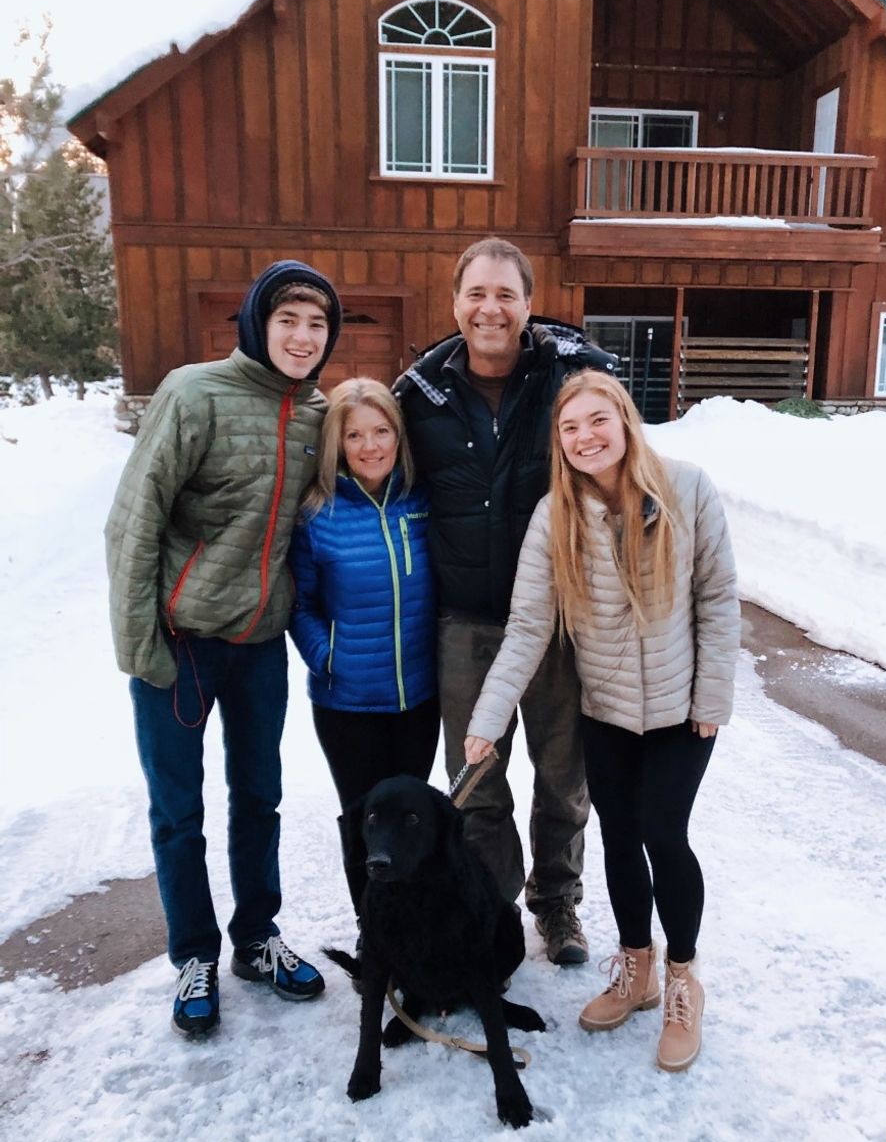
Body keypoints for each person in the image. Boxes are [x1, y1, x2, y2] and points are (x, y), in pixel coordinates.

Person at [464, 370, 739, 1072]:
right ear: (559, 441)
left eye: (597, 420)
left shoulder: (687, 489)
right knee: (618, 836)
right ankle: (636, 968)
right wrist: (487, 719)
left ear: (624, 420)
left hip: (681, 711)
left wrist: (711, 698)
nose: (585, 437)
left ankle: (682, 979)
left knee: (663, 833)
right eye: (570, 427)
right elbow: (528, 627)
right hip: (608, 712)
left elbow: (718, 598)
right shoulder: (555, 517)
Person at [105, 259, 343, 1039]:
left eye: (317, 324)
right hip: (181, 643)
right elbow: (133, 522)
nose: (303, 337)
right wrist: (141, 645)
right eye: (288, 320)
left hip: (260, 647)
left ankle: (256, 938)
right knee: (179, 810)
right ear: (256, 322)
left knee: (259, 796)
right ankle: (194, 955)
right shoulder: (192, 393)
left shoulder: (318, 415)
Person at [395, 237, 617, 966]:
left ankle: (556, 903)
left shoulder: (570, 382)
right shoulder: (419, 397)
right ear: (455, 302)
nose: (490, 309)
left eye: (505, 294)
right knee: (478, 781)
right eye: (476, 294)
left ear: (528, 303)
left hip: (558, 625)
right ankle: (491, 909)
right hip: (465, 625)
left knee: (563, 778)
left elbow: (620, 471)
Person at [288, 377, 439, 922]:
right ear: (338, 443)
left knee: (413, 820)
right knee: (363, 822)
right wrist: (327, 656)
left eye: (381, 432)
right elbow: (298, 602)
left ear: (399, 435)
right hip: (347, 704)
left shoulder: (421, 501)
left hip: (418, 697)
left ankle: (416, 928)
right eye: (355, 435)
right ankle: (373, 931)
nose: (370, 446)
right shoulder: (317, 514)